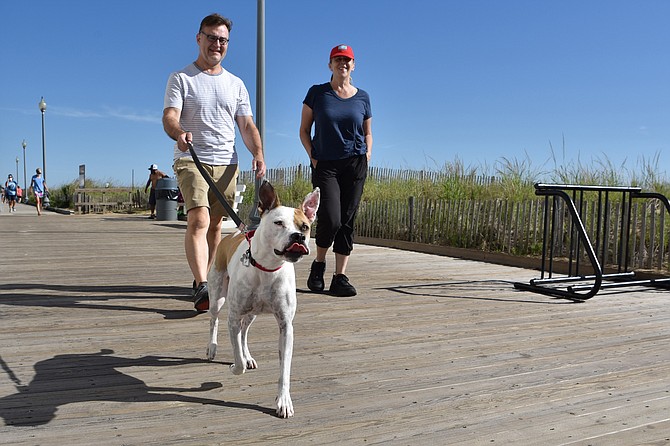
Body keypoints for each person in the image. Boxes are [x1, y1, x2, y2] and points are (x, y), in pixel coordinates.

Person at [162, 13, 265, 312]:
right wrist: (179, 133)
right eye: (211, 37)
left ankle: (207, 279)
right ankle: (202, 284)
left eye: (222, 40)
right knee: (199, 219)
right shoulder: (181, 78)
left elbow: (246, 125)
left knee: (216, 226)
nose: (216, 44)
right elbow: (170, 116)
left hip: (226, 162)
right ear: (199, 38)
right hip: (191, 157)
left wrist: (257, 153)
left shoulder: (236, 84)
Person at [299, 44, 373, 297]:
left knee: (348, 220)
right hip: (326, 165)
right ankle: (318, 264)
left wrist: (368, 153)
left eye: (347, 60)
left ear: (354, 65)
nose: (343, 63)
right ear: (330, 65)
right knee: (331, 217)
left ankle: (339, 277)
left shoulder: (362, 96)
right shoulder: (318, 93)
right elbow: (303, 130)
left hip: (355, 164)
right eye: (337, 59)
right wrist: (313, 156)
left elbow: (368, 131)